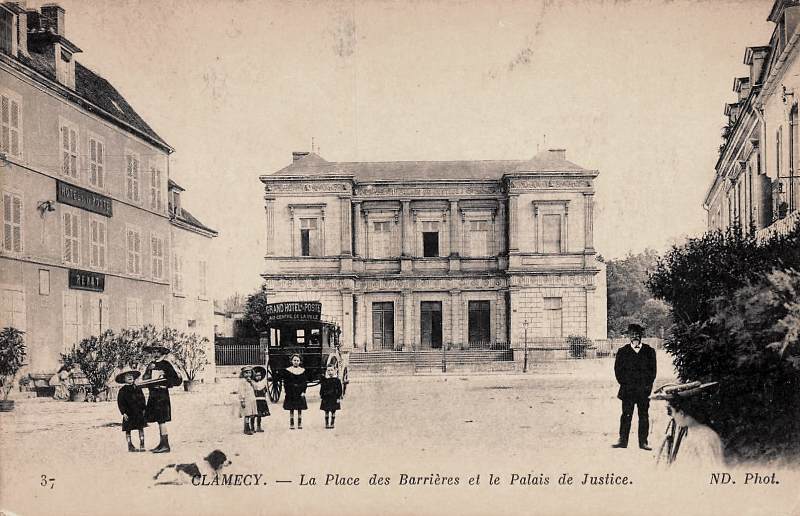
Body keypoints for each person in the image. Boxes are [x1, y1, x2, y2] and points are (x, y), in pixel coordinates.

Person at [651, 381, 724, 468]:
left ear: (681, 413)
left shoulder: (703, 438)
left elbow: (710, 472)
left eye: (672, 412)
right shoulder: (692, 432)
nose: (672, 416)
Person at [612, 323, 657, 450]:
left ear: (642, 336)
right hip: (628, 391)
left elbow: (652, 372)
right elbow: (618, 371)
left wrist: (647, 387)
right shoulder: (622, 352)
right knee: (626, 415)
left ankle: (643, 442)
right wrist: (625, 384)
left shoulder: (649, 351)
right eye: (632, 334)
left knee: (643, 416)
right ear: (629, 336)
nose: (635, 336)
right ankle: (623, 441)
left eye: (638, 334)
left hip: (643, 391)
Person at [141, 345, 182, 453]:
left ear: (161, 353)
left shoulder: (166, 364)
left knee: (162, 419)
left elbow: (176, 380)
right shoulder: (151, 365)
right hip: (153, 394)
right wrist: (149, 371)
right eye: (153, 351)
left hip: (162, 395)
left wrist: (165, 383)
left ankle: (165, 444)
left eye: (156, 351)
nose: (154, 353)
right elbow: (145, 378)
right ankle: (161, 443)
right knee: (158, 420)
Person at [115, 370, 147, 452]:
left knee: (141, 428)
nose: (130, 377)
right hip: (128, 413)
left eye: (131, 375)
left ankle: (142, 444)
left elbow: (142, 399)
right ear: (123, 379)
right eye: (127, 376)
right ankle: (130, 445)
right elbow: (120, 402)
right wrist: (123, 412)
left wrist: (143, 409)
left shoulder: (138, 388)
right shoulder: (122, 390)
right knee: (128, 429)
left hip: (138, 411)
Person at [282, 354, 308, 430]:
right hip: (291, 392)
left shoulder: (302, 370)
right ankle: (292, 423)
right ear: (291, 361)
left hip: (299, 392)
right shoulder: (288, 370)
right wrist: (287, 391)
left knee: (299, 408)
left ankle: (299, 423)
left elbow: (304, 383)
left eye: (297, 360)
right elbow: (286, 382)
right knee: (291, 408)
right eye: (294, 360)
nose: (296, 362)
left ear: (300, 361)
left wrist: (303, 391)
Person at [319, 365, 343, 429]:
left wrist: (338, 397)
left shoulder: (337, 380)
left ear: (335, 371)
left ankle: (332, 423)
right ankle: (326, 423)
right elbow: (322, 389)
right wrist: (321, 396)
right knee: (326, 411)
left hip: (334, 397)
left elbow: (340, 390)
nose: (330, 372)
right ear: (327, 371)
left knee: (333, 411)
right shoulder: (325, 380)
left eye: (332, 370)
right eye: (328, 370)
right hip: (326, 398)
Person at [237, 366, 258, 435]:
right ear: (243, 374)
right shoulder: (242, 382)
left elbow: (256, 388)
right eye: (246, 373)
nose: (248, 374)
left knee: (252, 414)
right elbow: (241, 391)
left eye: (249, 373)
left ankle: (252, 427)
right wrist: (242, 400)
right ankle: (246, 428)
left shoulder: (251, 381)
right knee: (247, 414)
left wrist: (251, 382)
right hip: (246, 400)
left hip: (252, 399)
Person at [250, 366, 270, 433]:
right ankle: (252, 427)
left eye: (260, 375)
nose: (258, 377)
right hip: (255, 401)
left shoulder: (263, 383)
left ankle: (259, 427)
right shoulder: (252, 383)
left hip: (261, 401)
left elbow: (265, 391)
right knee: (253, 415)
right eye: (256, 375)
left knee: (259, 415)